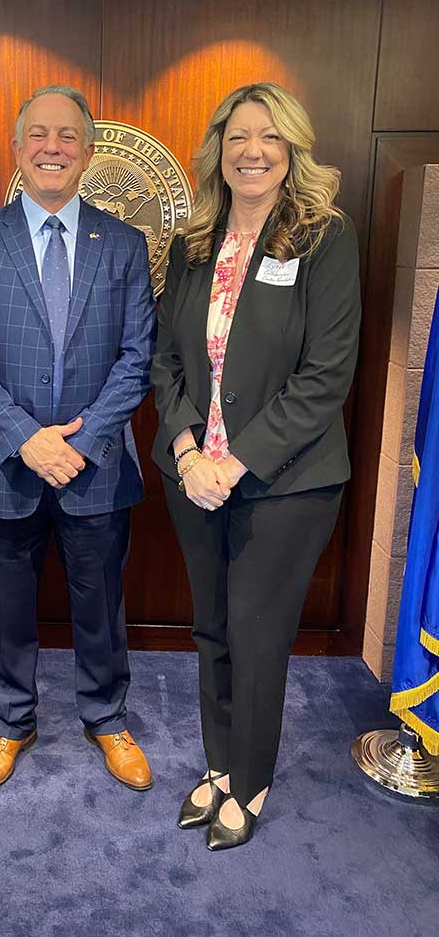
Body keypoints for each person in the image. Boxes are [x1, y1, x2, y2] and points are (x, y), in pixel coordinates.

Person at [151, 82, 361, 850]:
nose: (253, 150)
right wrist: (184, 450)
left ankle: (250, 778)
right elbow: (165, 358)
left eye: (271, 137)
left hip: (285, 481)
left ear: (293, 148)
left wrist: (232, 463)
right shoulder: (193, 242)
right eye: (239, 135)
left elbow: (325, 375)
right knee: (211, 627)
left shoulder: (324, 237)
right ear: (219, 147)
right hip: (191, 476)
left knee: (259, 630)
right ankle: (217, 761)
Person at [0, 85, 157, 793]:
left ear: (89, 152)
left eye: (68, 135)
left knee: (101, 602)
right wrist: (27, 438)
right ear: (17, 147)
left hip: (95, 467)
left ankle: (105, 716)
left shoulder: (123, 244)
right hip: (4, 464)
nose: (53, 146)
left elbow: (138, 355)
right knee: (7, 608)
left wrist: (85, 438)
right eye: (38, 134)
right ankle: (12, 720)